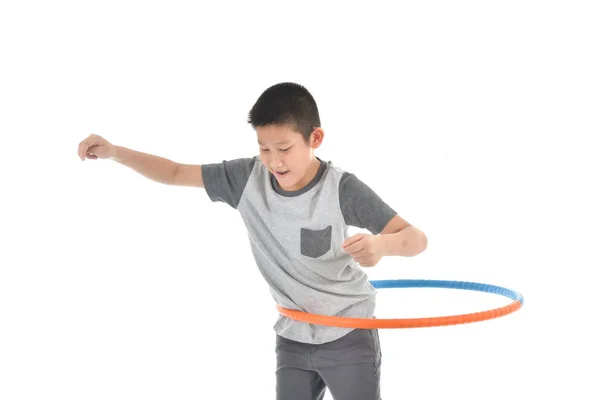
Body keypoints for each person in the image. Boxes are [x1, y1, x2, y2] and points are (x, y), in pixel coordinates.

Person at [77, 82, 428, 400]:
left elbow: (415, 238)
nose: (274, 161)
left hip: (348, 336)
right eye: (264, 148)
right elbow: (174, 172)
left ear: (315, 139)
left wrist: (383, 246)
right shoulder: (246, 178)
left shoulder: (341, 189)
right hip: (292, 336)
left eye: (284, 148)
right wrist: (115, 152)